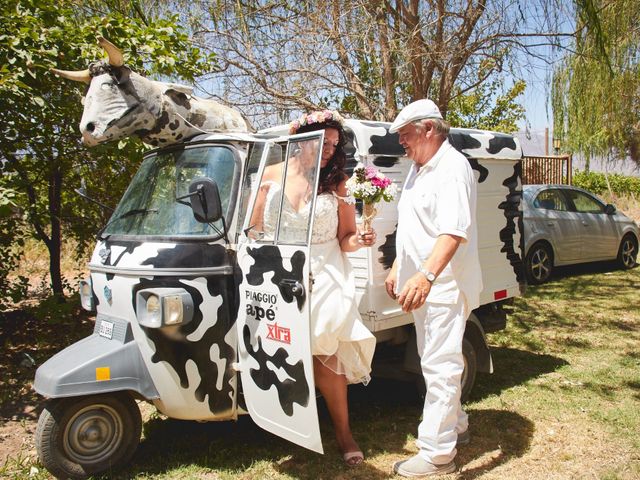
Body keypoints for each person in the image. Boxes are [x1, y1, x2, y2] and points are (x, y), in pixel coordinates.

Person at [250, 110, 377, 466]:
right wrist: (259, 201)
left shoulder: (338, 182)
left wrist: (361, 239)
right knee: (285, 348)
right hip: (279, 274)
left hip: (325, 272)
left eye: (336, 144)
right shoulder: (271, 174)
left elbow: (346, 238)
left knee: (325, 348)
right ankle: (291, 424)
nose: (330, 150)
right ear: (302, 139)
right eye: (325, 141)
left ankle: (343, 432)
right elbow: (254, 231)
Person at [385, 99, 482, 477]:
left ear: (428, 129)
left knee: (440, 366)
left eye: (405, 135)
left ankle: (438, 456)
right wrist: (398, 265)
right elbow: (413, 225)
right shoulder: (419, 167)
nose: (402, 143)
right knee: (434, 362)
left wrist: (425, 275)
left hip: (442, 287)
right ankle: (456, 424)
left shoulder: (452, 168)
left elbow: (453, 232)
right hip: (424, 286)